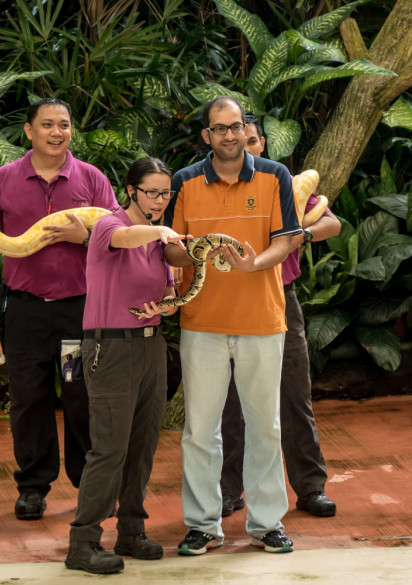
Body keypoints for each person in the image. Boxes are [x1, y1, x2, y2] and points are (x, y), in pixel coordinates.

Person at [0, 98, 118, 520]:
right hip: (26, 312)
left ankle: (90, 483)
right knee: (30, 398)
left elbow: (119, 235)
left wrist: (85, 235)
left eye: (63, 125)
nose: (56, 132)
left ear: (71, 131)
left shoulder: (90, 178)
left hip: (77, 312)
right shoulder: (4, 179)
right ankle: (33, 485)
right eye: (47, 124)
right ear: (29, 131)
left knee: (79, 393)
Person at [164, 96, 301, 556]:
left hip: (263, 321)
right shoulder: (184, 181)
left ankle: (266, 524)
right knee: (201, 430)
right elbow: (170, 250)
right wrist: (198, 250)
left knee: (266, 427)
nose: (229, 134)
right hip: (201, 324)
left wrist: (251, 264)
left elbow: (286, 241)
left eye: (236, 126)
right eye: (219, 128)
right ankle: (202, 524)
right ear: (206, 135)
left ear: (247, 129)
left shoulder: (274, 175)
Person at [65, 157, 186, 575]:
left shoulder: (159, 244)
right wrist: (161, 228)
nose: (159, 200)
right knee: (110, 447)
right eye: (152, 192)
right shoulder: (109, 226)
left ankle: (131, 530)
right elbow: (124, 238)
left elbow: (169, 296)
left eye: (166, 193)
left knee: (143, 443)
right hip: (109, 349)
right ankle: (83, 541)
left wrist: (165, 306)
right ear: (131, 190)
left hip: (152, 346)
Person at [220, 117, 341, 519]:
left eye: (252, 140)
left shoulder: (283, 182)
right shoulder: (212, 183)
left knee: (293, 394)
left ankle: (310, 488)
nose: (246, 146)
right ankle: (228, 490)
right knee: (231, 401)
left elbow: (332, 223)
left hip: (280, 299)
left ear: (262, 142)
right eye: (239, 138)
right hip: (228, 301)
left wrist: (300, 235)